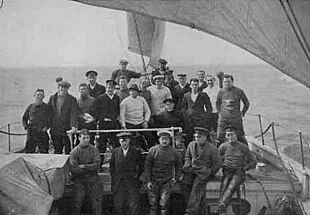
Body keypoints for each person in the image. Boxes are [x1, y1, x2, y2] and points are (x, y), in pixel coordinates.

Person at [217, 126, 257, 214]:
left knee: (232, 185)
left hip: (239, 171)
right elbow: (216, 158)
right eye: (228, 135)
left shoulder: (243, 147)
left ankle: (222, 204)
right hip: (227, 170)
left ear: (236, 135)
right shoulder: (223, 147)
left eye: (232, 135)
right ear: (226, 137)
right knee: (225, 183)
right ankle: (221, 208)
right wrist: (222, 165)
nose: (230, 137)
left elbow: (253, 161)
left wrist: (246, 168)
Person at [182, 127, 222, 215]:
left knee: (197, 187)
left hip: (204, 172)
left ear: (205, 137)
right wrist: (187, 165)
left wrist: (211, 172)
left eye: (199, 137)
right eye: (196, 137)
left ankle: (190, 211)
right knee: (184, 184)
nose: (197, 139)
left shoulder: (212, 148)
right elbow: (187, 156)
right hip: (192, 170)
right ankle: (196, 206)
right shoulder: (191, 145)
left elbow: (218, 163)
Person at [144, 129, 183, 215]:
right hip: (154, 181)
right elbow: (147, 166)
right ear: (159, 140)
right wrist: (148, 180)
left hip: (166, 181)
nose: (164, 141)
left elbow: (179, 166)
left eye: (166, 139)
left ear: (170, 140)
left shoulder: (175, 152)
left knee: (164, 204)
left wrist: (176, 178)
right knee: (153, 204)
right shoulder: (153, 150)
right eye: (162, 139)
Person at [110, 132, 144, 215]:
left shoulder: (135, 151)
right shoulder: (115, 151)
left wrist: (137, 174)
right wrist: (115, 177)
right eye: (121, 141)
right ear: (119, 141)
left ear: (129, 141)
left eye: (125, 141)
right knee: (118, 205)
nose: (123, 143)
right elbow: (112, 167)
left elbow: (141, 164)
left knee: (133, 205)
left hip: (132, 181)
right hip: (119, 182)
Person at [69, 129, 101, 215]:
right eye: (84, 138)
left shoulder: (94, 150)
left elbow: (97, 165)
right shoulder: (74, 152)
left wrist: (84, 166)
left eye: (88, 137)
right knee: (77, 203)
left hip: (93, 180)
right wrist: (90, 167)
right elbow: (74, 169)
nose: (86, 140)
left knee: (96, 203)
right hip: (80, 181)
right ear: (79, 138)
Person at [216, 74, 250, 145]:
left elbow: (247, 104)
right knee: (219, 137)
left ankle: (246, 152)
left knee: (240, 137)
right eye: (225, 82)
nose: (227, 83)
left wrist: (242, 113)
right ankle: (218, 153)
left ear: (232, 82)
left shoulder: (239, 91)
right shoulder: (221, 92)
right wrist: (220, 112)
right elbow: (218, 103)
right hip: (224, 119)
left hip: (236, 119)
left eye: (228, 82)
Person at [48, 80, 78, 154]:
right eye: (61, 87)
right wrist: (46, 125)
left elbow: (73, 114)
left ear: (68, 89)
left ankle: (68, 165)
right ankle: (58, 165)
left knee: (69, 149)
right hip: (55, 128)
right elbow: (48, 112)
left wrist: (73, 126)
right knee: (57, 149)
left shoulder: (72, 99)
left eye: (65, 88)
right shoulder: (52, 98)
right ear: (58, 88)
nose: (63, 89)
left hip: (67, 128)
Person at [181, 78, 212, 145]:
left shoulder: (203, 95)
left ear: (198, 85)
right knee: (188, 137)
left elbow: (209, 107)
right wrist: (186, 116)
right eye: (193, 85)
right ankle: (189, 152)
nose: (194, 86)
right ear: (190, 86)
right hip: (190, 120)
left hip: (200, 120)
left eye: (196, 85)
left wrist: (205, 117)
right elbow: (183, 108)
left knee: (203, 136)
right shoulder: (186, 95)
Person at [93, 79, 120, 152]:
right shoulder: (100, 98)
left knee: (116, 144)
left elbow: (118, 110)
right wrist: (103, 118)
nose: (110, 89)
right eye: (108, 88)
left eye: (112, 88)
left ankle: (115, 162)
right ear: (106, 88)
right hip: (104, 124)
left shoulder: (117, 98)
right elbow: (96, 112)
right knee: (102, 144)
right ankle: (100, 162)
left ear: (114, 88)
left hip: (114, 124)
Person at [22, 89, 51, 153]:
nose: (39, 96)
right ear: (34, 96)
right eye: (38, 95)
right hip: (32, 132)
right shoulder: (30, 107)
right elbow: (24, 118)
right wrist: (26, 127)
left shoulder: (46, 107)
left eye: (41, 95)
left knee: (44, 152)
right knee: (29, 151)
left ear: (43, 97)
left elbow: (50, 119)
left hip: (42, 132)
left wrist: (46, 127)